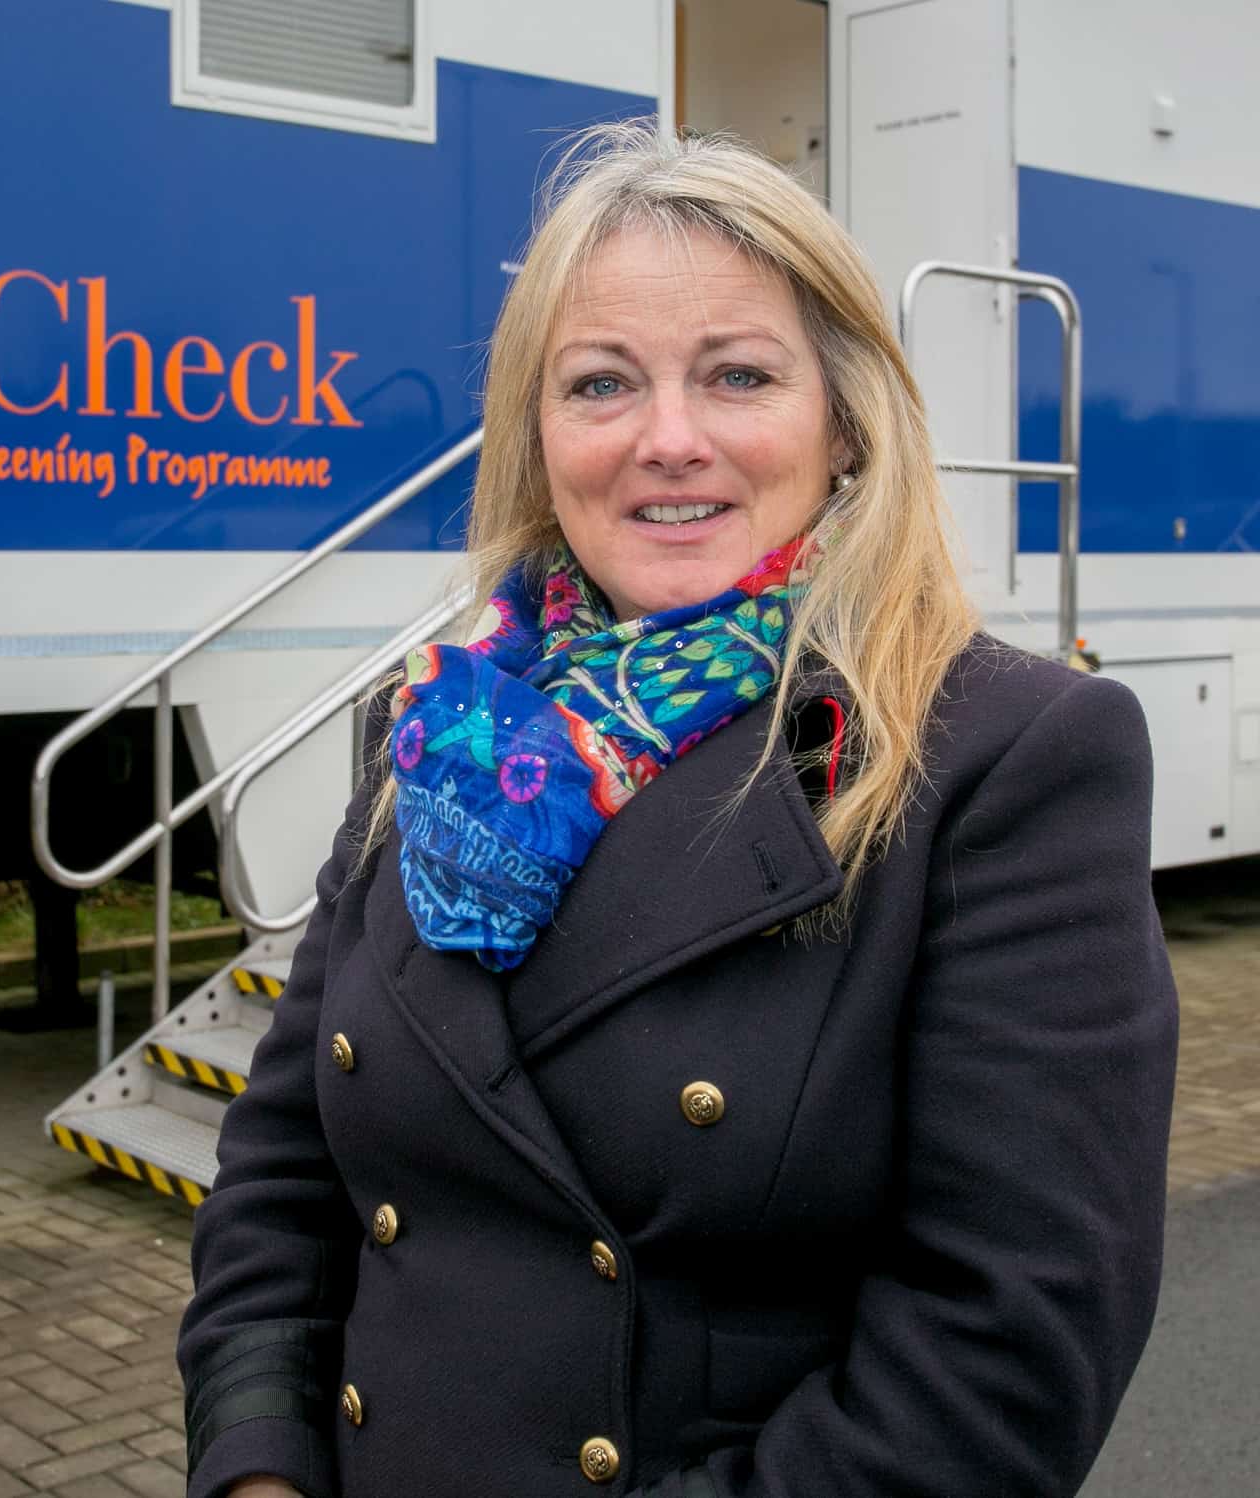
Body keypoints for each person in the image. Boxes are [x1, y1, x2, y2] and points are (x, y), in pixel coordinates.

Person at [177, 121, 1178, 1498]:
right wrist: (259, 1469)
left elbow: (1000, 1352)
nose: (667, 439)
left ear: (841, 419)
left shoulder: (1005, 758)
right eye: (600, 383)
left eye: (738, 375)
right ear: (540, 434)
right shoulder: (446, 727)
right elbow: (283, 1174)